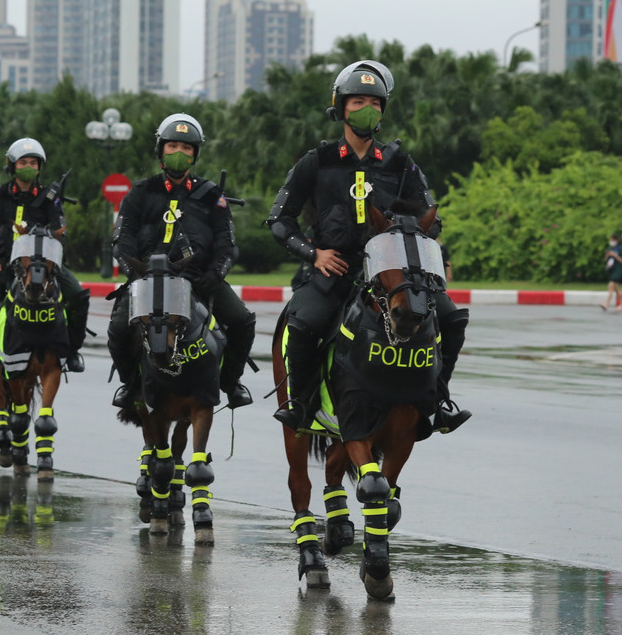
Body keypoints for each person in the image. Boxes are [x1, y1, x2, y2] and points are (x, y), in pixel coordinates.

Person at [267, 60, 471, 434]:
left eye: (375, 103)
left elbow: (433, 218)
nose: (367, 110)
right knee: (301, 325)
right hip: (335, 274)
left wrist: (411, 228)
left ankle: (438, 400)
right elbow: (280, 221)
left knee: (452, 319)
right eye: (358, 102)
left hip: (391, 277)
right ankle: (301, 405)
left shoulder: (401, 164)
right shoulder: (316, 162)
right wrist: (314, 254)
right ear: (341, 107)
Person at [108, 113, 256, 410]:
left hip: (199, 280)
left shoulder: (212, 195)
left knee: (243, 321)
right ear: (161, 150)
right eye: (172, 145)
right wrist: (133, 273)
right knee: (117, 328)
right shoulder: (139, 192)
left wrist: (216, 272)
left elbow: (227, 244)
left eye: (186, 148)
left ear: (194, 154)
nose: (179, 152)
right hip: (146, 282)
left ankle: (231, 383)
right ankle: (130, 385)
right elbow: (121, 240)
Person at [0, 138, 90, 378]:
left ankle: (73, 350)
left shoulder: (50, 197)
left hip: (42, 267)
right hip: (4, 267)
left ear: (39, 167)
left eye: (33, 162)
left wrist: (54, 234)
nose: (28, 166)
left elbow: (60, 229)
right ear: (12, 166)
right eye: (23, 162)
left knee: (78, 296)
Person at [600, 233, 622, 312]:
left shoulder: (620, 249)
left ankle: (606, 304)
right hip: (611, 269)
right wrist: (607, 255)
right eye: (610, 240)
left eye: (613, 240)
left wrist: (615, 255)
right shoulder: (609, 248)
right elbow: (606, 260)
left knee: (611, 285)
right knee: (616, 289)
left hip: (617, 270)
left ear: (617, 240)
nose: (611, 241)